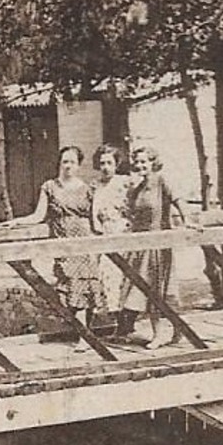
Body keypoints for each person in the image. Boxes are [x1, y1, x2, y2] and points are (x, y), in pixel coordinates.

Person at [5, 145, 103, 349]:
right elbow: (39, 216)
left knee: (84, 285)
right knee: (69, 284)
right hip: (62, 241)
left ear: (78, 165)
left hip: (83, 241)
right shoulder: (50, 186)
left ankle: (84, 337)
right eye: (65, 161)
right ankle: (82, 333)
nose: (68, 166)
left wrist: (99, 242)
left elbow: (95, 219)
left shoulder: (88, 189)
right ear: (60, 163)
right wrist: (17, 222)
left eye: (72, 162)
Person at [122, 145, 185, 349]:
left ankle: (168, 333)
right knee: (145, 290)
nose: (141, 165)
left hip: (159, 246)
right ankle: (166, 332)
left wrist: (188, 220)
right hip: (142, 246)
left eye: (144, 162)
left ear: (153, 163)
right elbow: (132, 214)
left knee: (159, 289)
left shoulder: (161, 181)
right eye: (138, 162)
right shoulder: (137, 189)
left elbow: (178, 201)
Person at [89, 144, 137, 336]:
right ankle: (118, 325)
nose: (106, 167)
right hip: (104, 234)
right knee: (108, 278)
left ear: (117, 164)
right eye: (102, 163)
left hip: (124, 233)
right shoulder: (95, 186)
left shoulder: (125, 182)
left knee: (126, 278)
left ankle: (127, 325)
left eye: (109, 163)